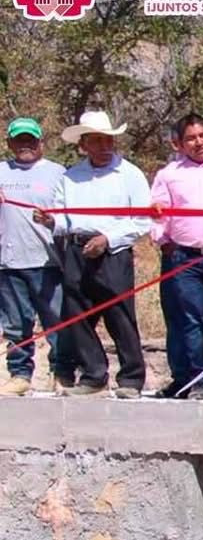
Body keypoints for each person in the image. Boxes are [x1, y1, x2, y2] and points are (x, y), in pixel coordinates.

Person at [32, 111, 150, 398]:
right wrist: (52, 222)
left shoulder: (130, 174)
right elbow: (63, 216)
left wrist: (107, 239)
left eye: (107, 139)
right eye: (96, 140)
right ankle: (94, 375)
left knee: (120, 315)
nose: (104, 145)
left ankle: (131, 379)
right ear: (83, 144)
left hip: (114, 253)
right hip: (76, 250)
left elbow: (143, 220)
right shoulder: (71, 177)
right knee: (78, 314)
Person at [149, 113, 203, 400]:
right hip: (185, 258)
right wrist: (162, 240)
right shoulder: (169, 174)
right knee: (190, 320)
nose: (199, 142)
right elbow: (157, 212)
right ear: (179, 144)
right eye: (191, 139)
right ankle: (197, 380)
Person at [0, 116, 71, 396]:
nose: (25, 144)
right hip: (8, 262)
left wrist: (52, 220)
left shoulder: (58, 173)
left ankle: (62, 373)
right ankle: (20, 375)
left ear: (41, 142)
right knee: (16, 325)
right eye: (19, 140)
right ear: (9, 143)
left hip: (48, 262)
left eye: (30, 139)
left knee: (57, 322)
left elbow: (69, 214)